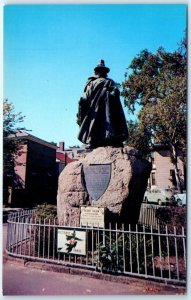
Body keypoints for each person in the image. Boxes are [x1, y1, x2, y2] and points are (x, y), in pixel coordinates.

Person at [77, 60, 128, 148]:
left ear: (97, 72)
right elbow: (115, 95)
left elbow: (86, 98)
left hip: (95, 110)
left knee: (94, 125)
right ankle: (110, 140)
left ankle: (92, 142)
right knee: (108, 125)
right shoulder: (110, 82)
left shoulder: (92, 83)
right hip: (106, 111)